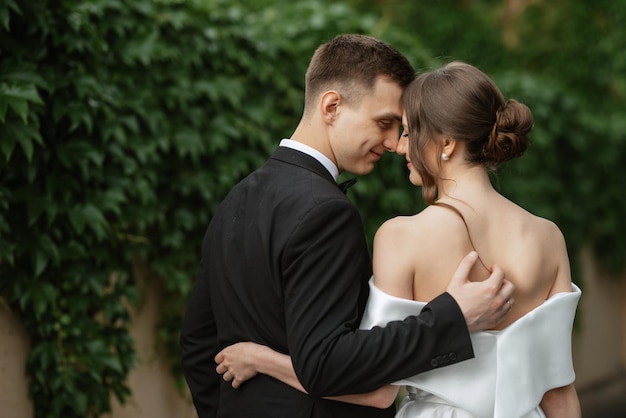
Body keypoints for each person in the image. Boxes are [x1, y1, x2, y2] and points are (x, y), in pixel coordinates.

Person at [215, 62, 582, 417]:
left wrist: (262, 359)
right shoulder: (548, 237)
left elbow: (375, 391)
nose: (399, 146)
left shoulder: (402, 237)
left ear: (447, 143)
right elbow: (558, 391)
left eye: (408, 132)